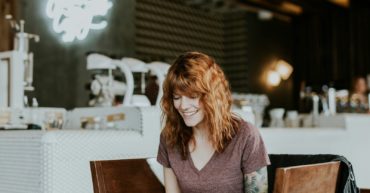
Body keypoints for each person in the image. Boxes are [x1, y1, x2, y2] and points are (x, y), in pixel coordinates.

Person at [157, 51, 270, 193]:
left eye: (192, 96)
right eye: (177, 97)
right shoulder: (169, 138)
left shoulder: (246, 135)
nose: (183, 106)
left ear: (212, 95)